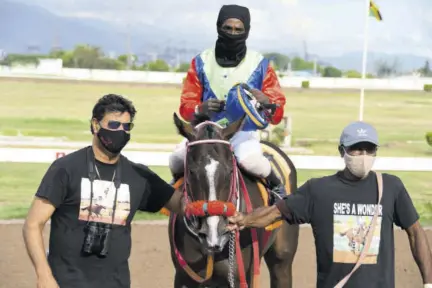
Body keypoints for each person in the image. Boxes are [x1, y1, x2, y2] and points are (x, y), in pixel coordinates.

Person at [227, 121, 432, 288]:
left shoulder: (391, 187)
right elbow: (275, 212)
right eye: (356, 149)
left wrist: (428, 282)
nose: (363, 155)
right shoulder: (318, 190)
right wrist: (244, 219)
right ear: (342, 151)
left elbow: (416, 232)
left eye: (369, 149)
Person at [22, 94, 185, 288]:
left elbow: (184, 205)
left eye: (127, 127)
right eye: (114, 125)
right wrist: (44, 275)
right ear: (95, 125)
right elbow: (33, 224)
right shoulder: (66, 169)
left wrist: (225, 210)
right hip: (65, 283)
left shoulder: (139, 175)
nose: (121, 131)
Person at [168, 4, 287, 201]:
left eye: (238, 29)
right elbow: (186, 105)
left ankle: (277, 187)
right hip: (205, 132)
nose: (233, 33)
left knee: (250, 161)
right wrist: (200, 108)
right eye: (228, 28)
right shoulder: (200, 62)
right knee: (177, 159)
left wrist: (268, 102)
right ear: (218, 28)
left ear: (246, 31)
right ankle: (175, 194)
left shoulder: (260, 64)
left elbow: (277, 112)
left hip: (243, 133)